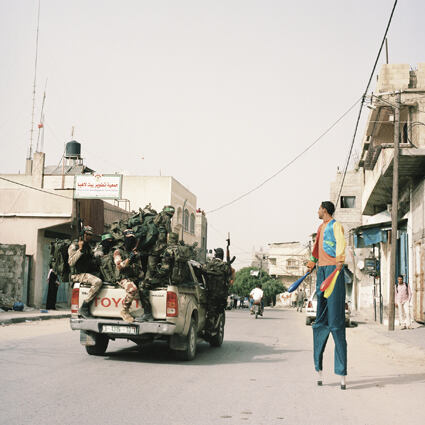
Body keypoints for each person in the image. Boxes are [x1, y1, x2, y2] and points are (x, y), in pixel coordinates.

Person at [306, 201, 347, 390]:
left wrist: (340, 262)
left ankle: (341, 373)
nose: (317, 210)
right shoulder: (320, 227)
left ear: (325, 210)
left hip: (334, 270)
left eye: (319, 208)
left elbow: (341, 243)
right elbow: (316, 249)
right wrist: (312, 262)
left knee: (336, 322)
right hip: (321, 271)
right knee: (320, 322)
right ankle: (318, 368)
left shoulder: (335, 225)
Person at [68, 225, 102, 318]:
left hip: (87, 272)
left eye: (91, 235)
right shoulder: (74, 245)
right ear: (83, 234)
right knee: (97, 282)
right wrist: (80, 250)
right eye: (87, 234)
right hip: (77, 274)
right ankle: (85, 306)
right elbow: (71, 262)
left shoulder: (88, 246)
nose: (89, 236)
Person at [114, 229, 146, 323]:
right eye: (128, 239)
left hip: (134, 277)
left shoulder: (135, 252)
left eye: (132, 239)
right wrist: (129, 259)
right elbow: (119, 266)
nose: (131, 241)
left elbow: (139, 268)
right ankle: (124, 310)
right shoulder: (118, 251)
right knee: (132, 289)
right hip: (122, 277)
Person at [202, 248, 231, 331]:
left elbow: (202, 271)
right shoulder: (225, 266)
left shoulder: (209, 264)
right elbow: (229, 276)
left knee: (210, 311)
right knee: (219, 312)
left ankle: (209, 327)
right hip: (221, 295)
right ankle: (213, 328)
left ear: (215, 255)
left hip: (210, 293)